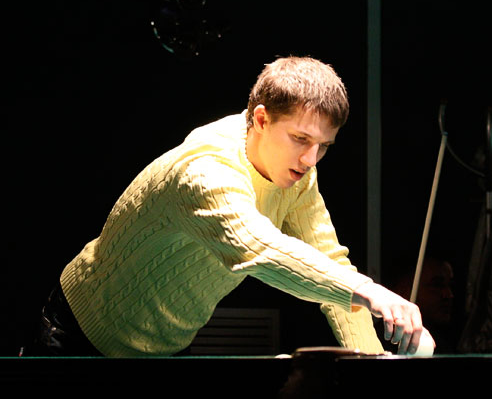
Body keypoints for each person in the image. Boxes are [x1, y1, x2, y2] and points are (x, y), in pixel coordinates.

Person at [23, 56, 429, 357]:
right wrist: (369, 292)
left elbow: (330, 265)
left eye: (324, 146)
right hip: (76, 336)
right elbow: (259, 248)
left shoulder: (298, 176)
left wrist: (374, 367)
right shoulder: (205, 170)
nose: (311, 159)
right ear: (262, 119)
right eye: (301, 139)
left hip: (162, 349)